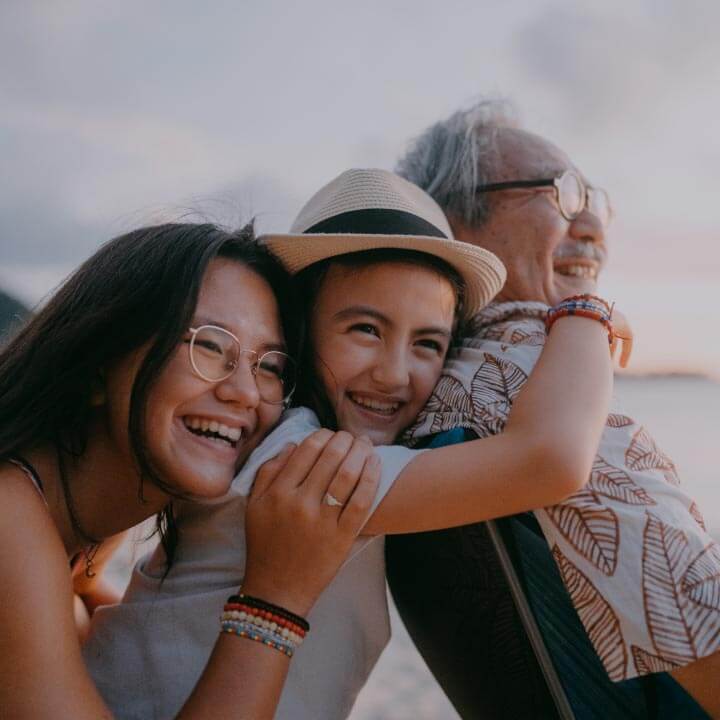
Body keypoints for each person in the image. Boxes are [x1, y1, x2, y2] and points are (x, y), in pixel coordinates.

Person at [84, 168, 622, 720]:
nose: (393, 375)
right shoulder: (308, 463)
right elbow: (550, 460)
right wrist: (586, 314)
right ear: (297, 330)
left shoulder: (259, 441)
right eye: (366, 329)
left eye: (428, 343)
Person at [387, 99, 720, 719]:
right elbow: (695, 612)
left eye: (595, 196)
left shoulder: (424, 389)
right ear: (454, 220)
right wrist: (584, 319)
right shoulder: (532, 372)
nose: (594, 223)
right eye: (562, 193)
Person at [0, 221, 383, 720]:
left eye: (269, 367)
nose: (246, 393)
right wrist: (274, 601)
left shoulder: (84, 536)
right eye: (208, 345)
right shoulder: (10, 519)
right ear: (99, 356)